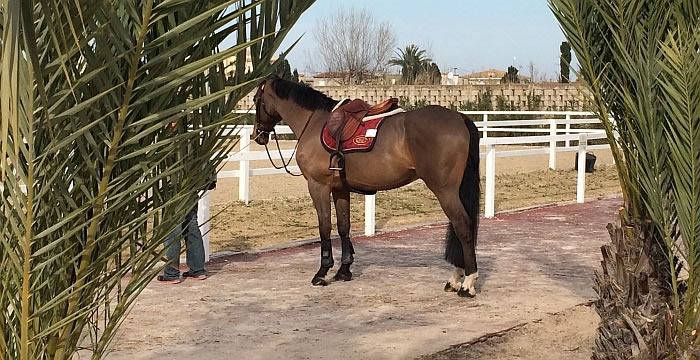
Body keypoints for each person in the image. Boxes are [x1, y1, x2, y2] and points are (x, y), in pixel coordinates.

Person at [157, 202, 208, 284]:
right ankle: (197, 270)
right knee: (192, 229)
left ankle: (172, 274)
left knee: (173, 230)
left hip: (174, 196)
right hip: (191, 194)